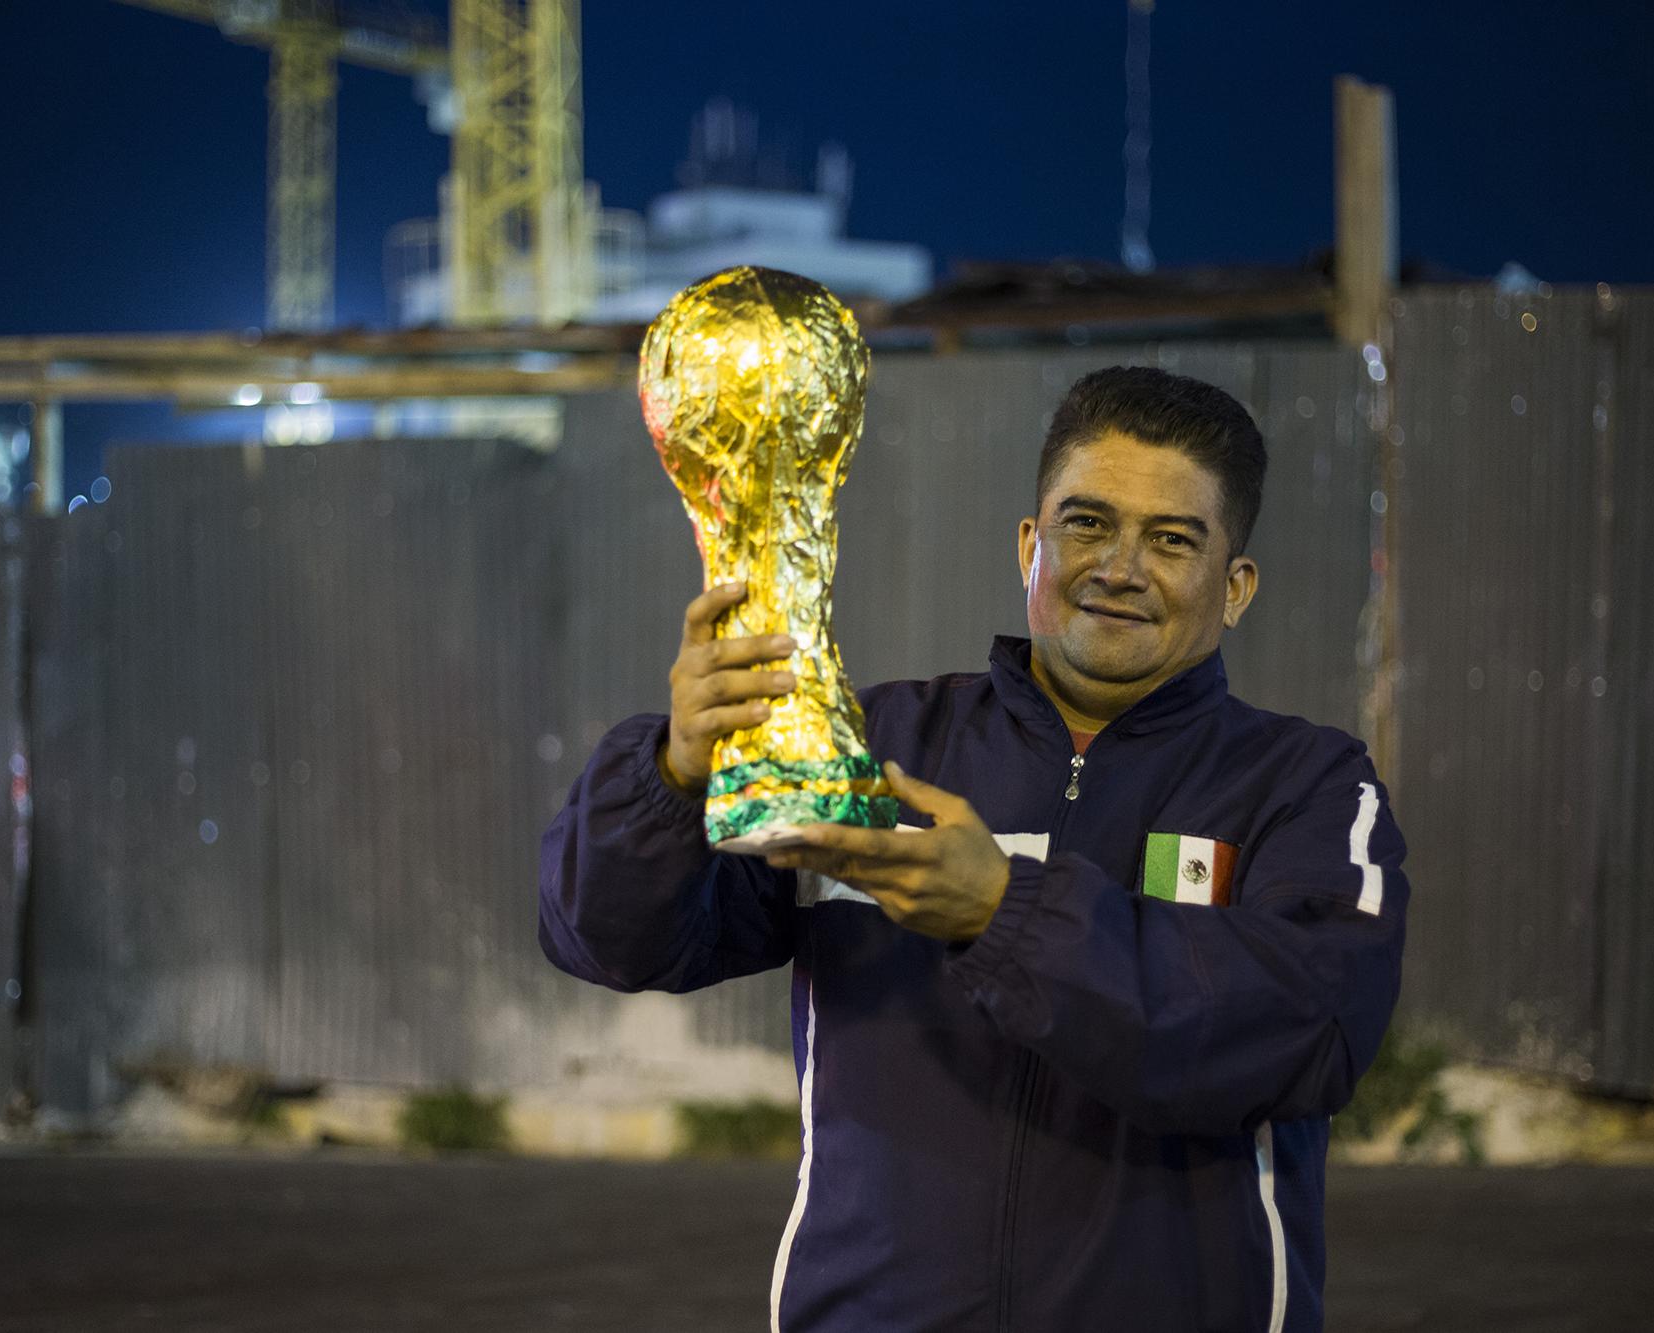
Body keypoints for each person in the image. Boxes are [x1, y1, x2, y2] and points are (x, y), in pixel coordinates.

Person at [538, 365, 1409, 1332]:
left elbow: (1312, 1029)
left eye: (1171, 540)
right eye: (1086, 523)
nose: (1119, 566)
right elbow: (608, 939)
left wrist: (1005, 911)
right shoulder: (874, 748)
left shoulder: (1307, 784)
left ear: (1234, 587)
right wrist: (674, 771)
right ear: (1029, 545)